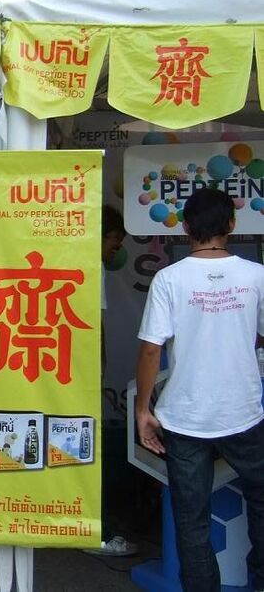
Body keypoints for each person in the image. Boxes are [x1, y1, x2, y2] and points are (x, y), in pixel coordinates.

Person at [135, 188, 264, 592]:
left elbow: (151, 349)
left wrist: (142, 411)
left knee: (192, 521)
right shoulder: (257, 276)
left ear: (186, 228)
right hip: (244, 413)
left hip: (184, 417)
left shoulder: (169, 279)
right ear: (232, 224)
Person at [85, 205, 139, 556]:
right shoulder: (93, 267)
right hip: (82, 372)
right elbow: (93, 324)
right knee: (88, 450)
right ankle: (95, 532)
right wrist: (99, 366)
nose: (115, 250)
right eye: (113, 241)